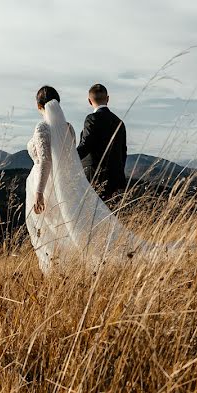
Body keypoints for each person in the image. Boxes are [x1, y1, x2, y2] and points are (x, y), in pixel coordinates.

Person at [25, 85, 139, 273]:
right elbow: (72, 159)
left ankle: (59, 270)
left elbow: (46, 161)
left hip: (46, 186)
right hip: (68, 183)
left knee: (51, 232)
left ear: (39, 106)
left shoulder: (42, 128)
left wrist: (38, 192)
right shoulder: (68, 128)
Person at [76, 84, 128, 200]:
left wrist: (68, 157)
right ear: (108, 99)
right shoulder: (119, 122)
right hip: (116, 181)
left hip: (94, 178)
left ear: (89, 101)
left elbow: (85, 146)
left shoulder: (92, 119)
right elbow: (123, 153)